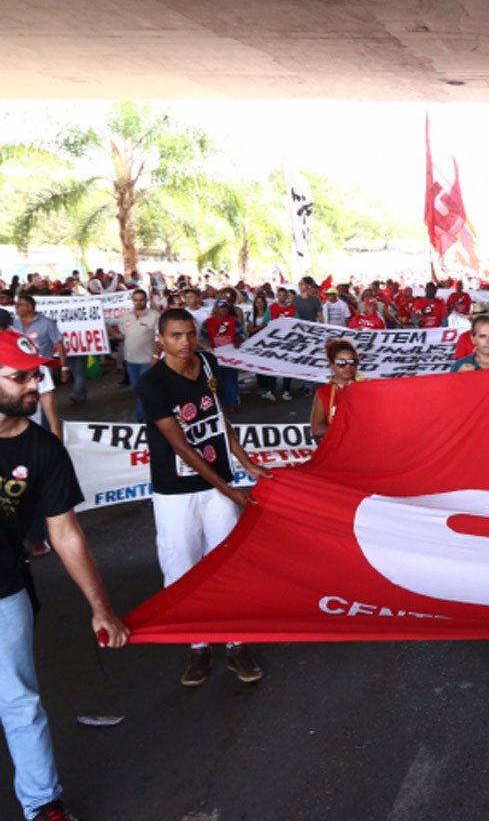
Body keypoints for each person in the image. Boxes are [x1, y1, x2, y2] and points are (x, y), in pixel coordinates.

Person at [0, 330, 128, 821]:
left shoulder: (44, 450)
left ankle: (42, 805)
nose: (33, 385)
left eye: (36, 375)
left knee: (20, 702)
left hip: (5, 589)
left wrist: (101, 607)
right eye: (19, 378)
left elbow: (67, 534)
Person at [134, 309, 270, 687]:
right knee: (183, 568)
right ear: (160, 339)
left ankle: (237, 642)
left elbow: (219, 418)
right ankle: (197, 645)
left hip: (219, 484)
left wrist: (246, 463)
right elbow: (180, 445)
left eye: (191, 334)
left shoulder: (208, 363)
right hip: (176, 491)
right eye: (176, 335)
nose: (186, 342)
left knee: (227, 563)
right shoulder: (152, 383)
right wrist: (229, 490)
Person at [13, 295, 76, 406]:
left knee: (43, 399)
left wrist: (64, 368)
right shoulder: (14, 323)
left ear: (30, 307)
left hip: (41, 370)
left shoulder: (47, 323)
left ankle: (46, 422)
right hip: (20, 369)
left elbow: (60, 345)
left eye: (19, 305)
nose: (16, 308)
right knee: (23, 401)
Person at [115, 288, 157, 421]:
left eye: (142, 300)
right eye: (136, 300)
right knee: (136, 388)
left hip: (147, 360)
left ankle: (142, 418)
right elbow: (122, 335)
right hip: (131, 360)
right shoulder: (126, 317)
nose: (139, 302)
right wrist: (107, 330)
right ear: (132, 301)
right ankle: (149, 413)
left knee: (142, 389)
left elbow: (161, 338)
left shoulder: (155, 316)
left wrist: (156, 356)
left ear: (146, 300)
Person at [310, 340, 365, 438]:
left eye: (353, 362)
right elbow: (317, 429)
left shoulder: (367, 389)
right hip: (337, 450)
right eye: (341, 363)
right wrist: (347, 429)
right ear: (332, 366)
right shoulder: (324, 393)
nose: (348, 366)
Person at [200, 301, 241, 411]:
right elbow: (203, 339)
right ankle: (215, 404)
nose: (223, 310)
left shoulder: (235, 322)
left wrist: (238, 341)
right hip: (214, 356)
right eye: (220, 308)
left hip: (231, 356)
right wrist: (208, 348)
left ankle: (232, 403)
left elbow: (242, 335)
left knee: (231, 380)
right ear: (215, 309)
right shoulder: (207, 323)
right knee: (214, 381)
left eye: (225, 308)